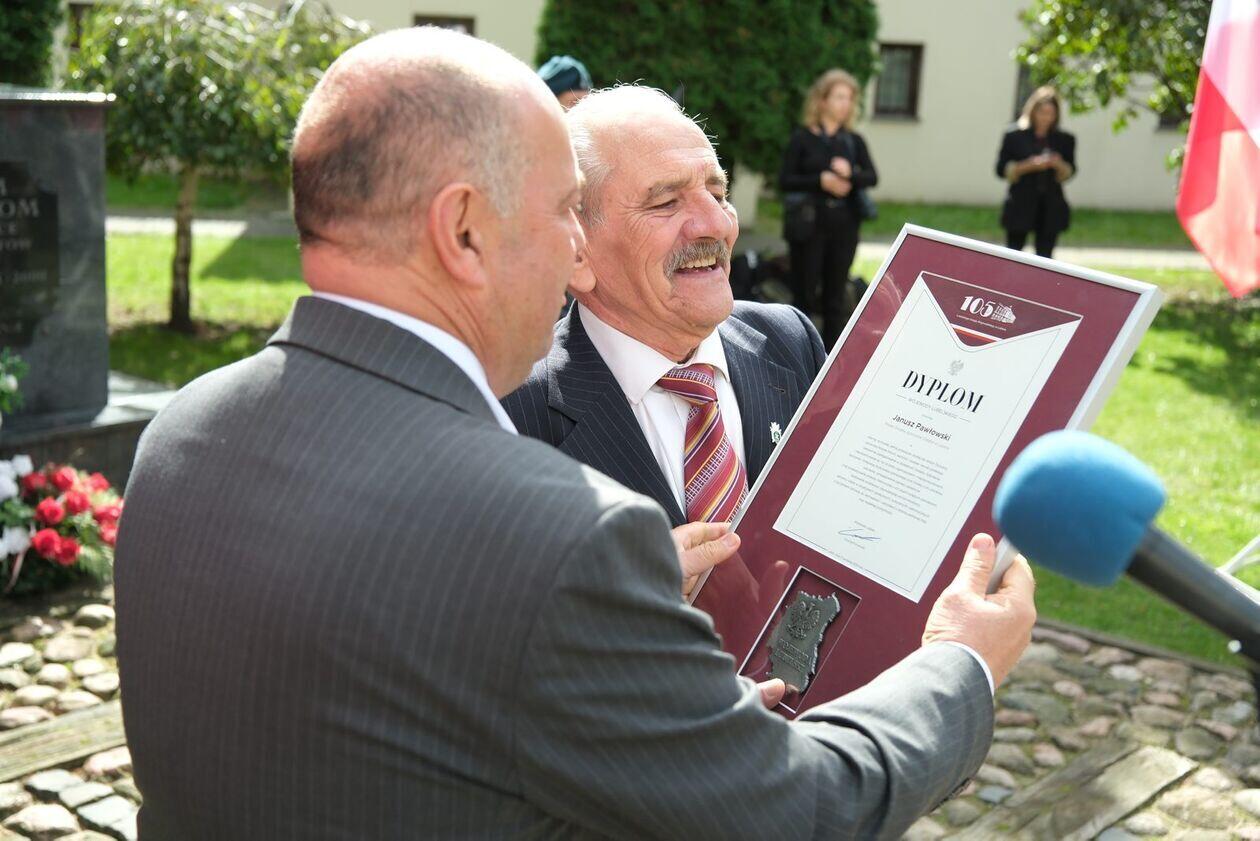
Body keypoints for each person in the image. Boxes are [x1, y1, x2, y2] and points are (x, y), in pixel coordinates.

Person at [115, 28, 1036, 840]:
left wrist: (651, 682)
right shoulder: (563, 536)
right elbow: (800, 811)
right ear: (463, 232)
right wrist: (960, 664)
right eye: (561, 211)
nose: (571, 252)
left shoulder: (182, 429)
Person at [504, 86, 826, 532]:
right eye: (666, 203)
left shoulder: (788, 342)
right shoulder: (513, 412)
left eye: (717, 193)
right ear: (577, 252)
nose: (717, 223)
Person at [779, 68, 878, 347]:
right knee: (804, 295)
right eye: (839, 97)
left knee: (835, 297)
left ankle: (832, 357)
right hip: (809, 226)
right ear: (822, 100)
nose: (846, 104)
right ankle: (799, 352)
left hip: (844, 226)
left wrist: (851, 174)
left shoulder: (853, 141)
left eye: (850, 98)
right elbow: (785, 180)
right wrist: (821, 180)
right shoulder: (802, 138)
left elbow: (872, 177)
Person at [996, 85, 1076, 258]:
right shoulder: (1014, 136)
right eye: (1042, 112)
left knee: (1045, 259)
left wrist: (1058, 164)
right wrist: (1027, 165)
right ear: (1033, 111)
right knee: (1013, 256)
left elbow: (1071, 170)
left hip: (1050, 207)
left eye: (1050, 113)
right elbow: (1000, 169)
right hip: (1020, 204)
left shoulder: (1064, 139)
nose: (1046, 117)